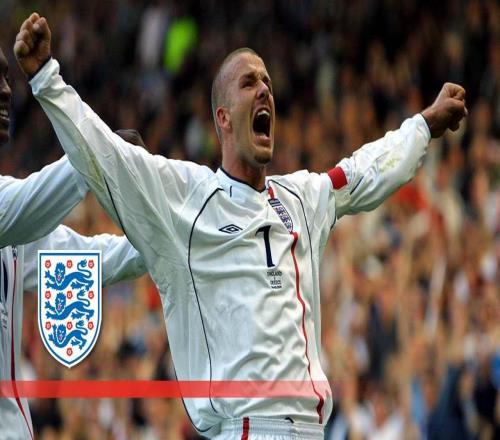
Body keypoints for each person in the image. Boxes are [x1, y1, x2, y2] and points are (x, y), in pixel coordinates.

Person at [15, 12, 468, 439]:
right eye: (249, 82)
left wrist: (423, 126)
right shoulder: (186, 201)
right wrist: (47, 79)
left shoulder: (303, 197)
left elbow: (363, 171)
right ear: (224, 118)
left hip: (312, 429)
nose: (265, 89)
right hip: (247, 428)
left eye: (267, 81)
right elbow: (107, 155)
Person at [0, 45, 147, 439]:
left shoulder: (13, 228)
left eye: (7, 78)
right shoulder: (10, 211)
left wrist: (160, 236)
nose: (6, 90)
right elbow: (34, 200)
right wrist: (104, 150)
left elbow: (86, 258)